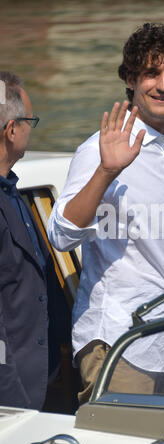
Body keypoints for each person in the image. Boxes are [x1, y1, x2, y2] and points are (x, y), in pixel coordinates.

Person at [48, 23, 164, 404]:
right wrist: (107, 171)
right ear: (131, 79)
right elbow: (62, 236)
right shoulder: (100, 150)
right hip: (118, 344)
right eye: (151, 73)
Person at [0, 71, 69, 410]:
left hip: (42, 377)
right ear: (12, 130)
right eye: (30, 120)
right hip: (14, 393)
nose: (32, 127)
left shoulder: (13, 191)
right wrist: (11, 394)